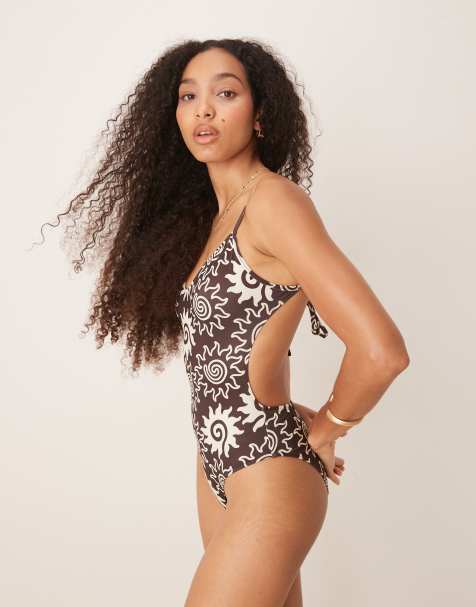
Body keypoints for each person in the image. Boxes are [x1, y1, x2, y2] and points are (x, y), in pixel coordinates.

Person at [37, 38, 410, 607]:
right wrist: (289, 414)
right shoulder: (219, 218)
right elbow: (244, 344)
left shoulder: (274, 203)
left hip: (267, 472)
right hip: (218, 465)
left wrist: (327, 429)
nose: (204, 110)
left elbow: (382, 350)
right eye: (188, 96)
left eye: (226, 93)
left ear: (261, 114)